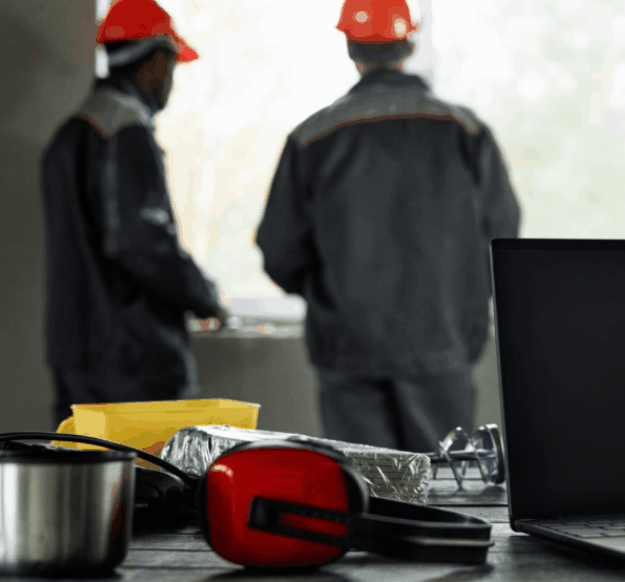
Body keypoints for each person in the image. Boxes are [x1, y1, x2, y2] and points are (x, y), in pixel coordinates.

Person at [256, 0, 521, 453]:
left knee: (366, 494)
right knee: (446, 491)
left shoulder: (312, 137)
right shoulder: (465, 131)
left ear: (349, 47)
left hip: (348, 346)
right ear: (409, 41)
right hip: (442, 342)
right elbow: (501, 235)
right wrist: (463, 307)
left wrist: (333, 296)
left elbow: (280, 249)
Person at [41, 0, 228, 429]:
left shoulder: (71, 132)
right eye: (174, 66)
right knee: (149, 487)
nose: (171, 82)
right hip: (132, 359)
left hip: (77, 354)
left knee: (82, 477)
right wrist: (204, 296)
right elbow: (142, 242)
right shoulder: (125, 130)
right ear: (157, 61)